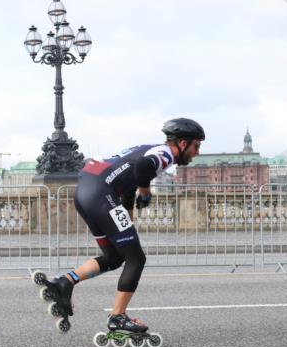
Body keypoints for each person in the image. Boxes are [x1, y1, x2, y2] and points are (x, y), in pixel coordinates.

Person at [44, 118, 205, 333]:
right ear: (183, 144)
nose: (197, 152)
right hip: (101, 195)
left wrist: (128, 216)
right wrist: (147, 193)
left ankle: (64, 282)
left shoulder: (147, 148)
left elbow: (129, 185)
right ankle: (117, 317)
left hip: (85, 193)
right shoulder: (166, 153)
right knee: (136, 258)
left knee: (114, 257)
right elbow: (143, 168)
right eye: (196, 146)